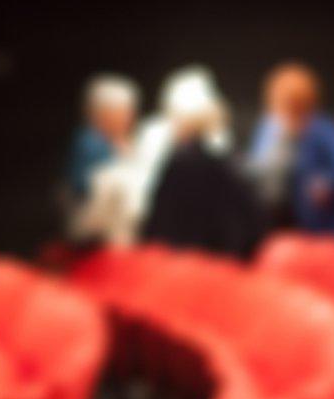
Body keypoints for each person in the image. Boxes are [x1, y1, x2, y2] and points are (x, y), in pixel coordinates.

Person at [140, 72, 264, 259]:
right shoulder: (221, 162)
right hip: (218, 260)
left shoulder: (181, 161)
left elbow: (158, 223)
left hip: (182, 261)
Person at [244, 63, 334, 237]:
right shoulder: (268, 127)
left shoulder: (321, 127)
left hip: (322, 230)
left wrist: (329, 181)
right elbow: (257, 166)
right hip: (279, 228)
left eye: (296, 107)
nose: (291, 115)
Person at [64, 74, 143, 247]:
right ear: (102, 113)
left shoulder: (122, 141)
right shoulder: (90, 143)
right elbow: (83, 187)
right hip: (94, 234)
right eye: (123, 112)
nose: (129, 118)